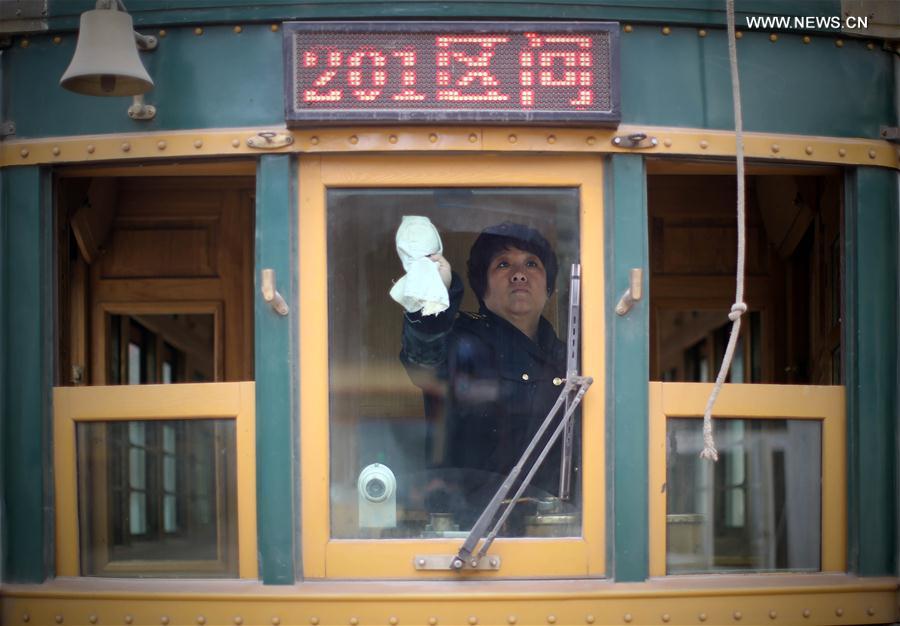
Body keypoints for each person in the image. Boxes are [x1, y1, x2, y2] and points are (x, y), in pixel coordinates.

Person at [399, 222, 578, 531]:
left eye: (531, 264)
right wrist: (434, 294)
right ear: (482, 287)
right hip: (469, 531)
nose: (519, 274)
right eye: (503, 264)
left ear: (549, 287)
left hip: (556, 531)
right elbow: (423, 356)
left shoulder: (572, 358)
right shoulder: (460, 345)